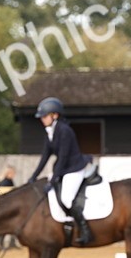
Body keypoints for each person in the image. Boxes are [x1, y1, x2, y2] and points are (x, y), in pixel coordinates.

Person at [27, 97, 94, 245]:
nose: (42, 119)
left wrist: (52, 180)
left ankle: (85, 231)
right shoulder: (50, 132)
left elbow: (63, 158)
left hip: (75, 168)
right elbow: (45, 157)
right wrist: (33, 176)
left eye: (44, 116)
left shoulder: (65, 130)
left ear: (55, 115)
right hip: (64, 169)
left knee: (67, 198)